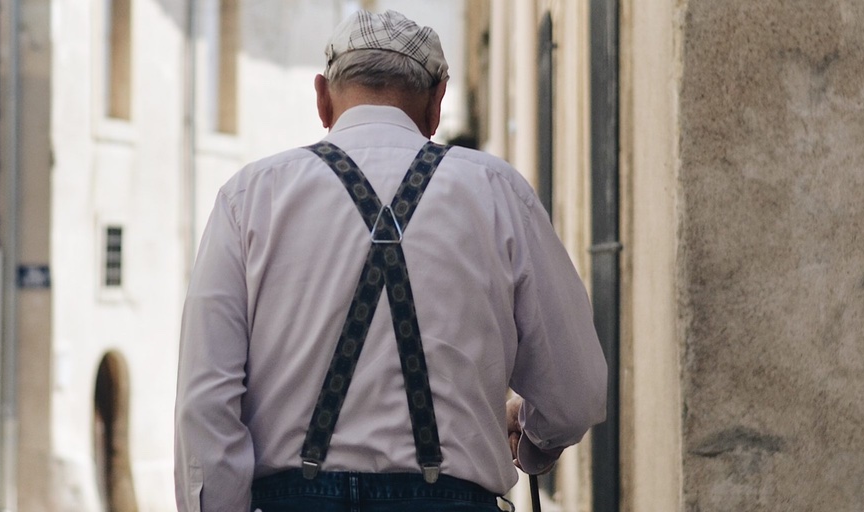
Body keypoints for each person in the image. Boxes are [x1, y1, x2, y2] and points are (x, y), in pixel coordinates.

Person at [175, 9, 606, 512]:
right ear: (438, 100)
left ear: (322, 96)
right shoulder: (497, 191)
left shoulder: (249, 197)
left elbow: (205, 403)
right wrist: (533, 444)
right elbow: (575, 395)